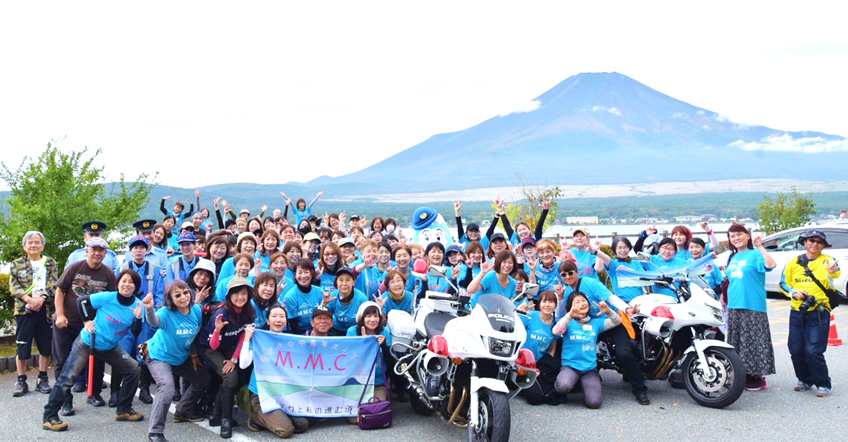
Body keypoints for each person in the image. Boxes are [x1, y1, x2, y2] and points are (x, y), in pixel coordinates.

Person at [42, 269, 144, 432]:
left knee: (133, 369)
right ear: (118, 284)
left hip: (110, 347)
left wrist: (138, 317)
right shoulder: (109, 297)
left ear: (136, 286)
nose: (127, 284)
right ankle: (50, 416)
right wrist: (87, 321)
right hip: (88, 341)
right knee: (68, 377)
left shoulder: (138, 305)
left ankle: (124, 410)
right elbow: (82, 301)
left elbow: (136, 331)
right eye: (124, 281)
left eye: (131, 282)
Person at [553, 260, 649, 405]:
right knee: (567, 345)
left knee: (624, 353)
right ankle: (569, 385)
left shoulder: (589, 283)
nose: (567, 277)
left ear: (577, 272)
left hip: (610, 322)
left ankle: (640, 389)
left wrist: (627, 309)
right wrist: (560, 297)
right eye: (563, 274)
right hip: (591, 326)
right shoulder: (567, 293)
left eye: (570, 272)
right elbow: (561, 316)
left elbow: (611, 297)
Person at [52, 237, 118, 415]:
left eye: (101, 250)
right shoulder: (75, 268)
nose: (97, 253)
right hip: (67, 322)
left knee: (96, 360)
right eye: (94, 249)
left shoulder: (108, 274)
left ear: (105, 254)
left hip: (93, 326)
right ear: (87, 250)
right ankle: (65, 400)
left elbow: (112, 300)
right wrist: (60, 314)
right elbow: (60, 290)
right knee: (63, 361)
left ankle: (94, 393)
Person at [143, 281, 210, 442]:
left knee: (203, 379)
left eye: (186, 292)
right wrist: (149, 308)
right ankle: (155, 432)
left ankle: (183, 409)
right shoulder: (166, 312)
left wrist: (194, 355)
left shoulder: (196, 310)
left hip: (181, 357)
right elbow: (154, 322)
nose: (183, 297)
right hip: (159, 356)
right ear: (170, 299)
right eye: (177, 295)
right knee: (166, 388)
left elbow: (195, 335)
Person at [779, 229, 839, 397]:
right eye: (811, 240)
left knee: (813, 350)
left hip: (818, 312)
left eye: (819, 241)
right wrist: (793, 293)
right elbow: (783, 283)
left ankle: (823, 383)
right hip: (797, 311)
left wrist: (833, 270)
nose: (814, 243)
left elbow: (835, 272)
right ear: (804, 242)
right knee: (796, 349)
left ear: (823, 246)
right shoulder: (794, 262)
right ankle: (804, 379)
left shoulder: (828, 261)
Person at [239, 305, 309, 437]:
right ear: (267, 320)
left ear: (286, 321)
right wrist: (247, 339)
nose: (278, 320)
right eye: (274, 316)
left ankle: (275, 417)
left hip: (283, 393)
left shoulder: (290, 341)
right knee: (286, 430)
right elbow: (243, 365)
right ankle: (255, 417)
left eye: (282, 316)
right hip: (262, 394)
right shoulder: (259, 338)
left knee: (302, 424)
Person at [199, 277, 256, 438]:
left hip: (230, 347)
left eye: (244, 293)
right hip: (210, 347)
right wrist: (217, 330)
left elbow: (242, 337)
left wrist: (234, 359)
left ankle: (216, 415)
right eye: (236, 293)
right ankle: (225, 419)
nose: (240, 297)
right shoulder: (221, 314)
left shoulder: (248, 311)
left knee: (240, 371)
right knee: (230, 377)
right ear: (229, 295)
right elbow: (213, 346)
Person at [723, 223, 777, 391]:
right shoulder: (732, 257)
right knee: (738, 342)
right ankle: (741, 374)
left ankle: (756, 377)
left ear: (747, 236)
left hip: (753, 304)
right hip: (734, 304)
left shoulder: (755, 254)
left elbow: (771, 265)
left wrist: (760, 246)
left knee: (754, 341)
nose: (736, 238)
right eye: (732, 236)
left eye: (739, 234)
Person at [552, 292, 622, 409]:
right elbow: (556, 331)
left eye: (583, 300)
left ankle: (585, 385)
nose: (581, 304)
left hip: (589, 369)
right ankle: (573, 383)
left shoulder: (596, 323)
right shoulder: (568, 322)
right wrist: (569, 315)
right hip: (570, 366)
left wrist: (608, 311)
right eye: (577, 302)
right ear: (571, 306)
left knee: (594, 403)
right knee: (563, 386)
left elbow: (618, 321)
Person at [10, 231, 58, 397]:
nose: (34, 245)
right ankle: (21, 380)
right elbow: (14, 286)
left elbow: (54, 283)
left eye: (37, 242)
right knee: (22, 346)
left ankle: (42, 379)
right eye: (30, 243)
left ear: (42, 245)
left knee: (45, 347)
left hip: (45, 311)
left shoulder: (50, 262)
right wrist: (29, 300)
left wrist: (41, 298)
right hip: (24, 311)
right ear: (25, 246)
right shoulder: (16, 264)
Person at [345, 301, 391, 423]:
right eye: (368, 316)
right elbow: (349, 359)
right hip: (358, 382)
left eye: (376, 316)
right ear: (361, 318)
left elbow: (391, 360)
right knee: (354, 419)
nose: (372, 320)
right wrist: (363, 344)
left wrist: (385, 346)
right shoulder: (352, 331)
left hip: (378, 382)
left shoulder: (385, 332)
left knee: (377, 413)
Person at [516, 290, 561, 405]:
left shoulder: (555, 325)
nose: (547, 305)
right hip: (521, 364)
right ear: (539, 303)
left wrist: (545, 368)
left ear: (555, 305)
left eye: (551, 302)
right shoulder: (531, 316)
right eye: (544, 301)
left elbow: (551, 350)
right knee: (535, 399)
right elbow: (516, 331)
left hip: (538, 366)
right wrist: (520, 312)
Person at [283, 259, 325, 334]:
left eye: (306, 272)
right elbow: (293, 325)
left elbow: (323, 318)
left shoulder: (320, 292)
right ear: (295, 275)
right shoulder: (290, 296)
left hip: (318, 330)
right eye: (300, 272)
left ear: (311, 274)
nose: (303, 276)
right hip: (299, 333)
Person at [324, 267, 368, 336]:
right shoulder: (332, 296)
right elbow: (323, 317)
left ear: (353, 282)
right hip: (335, 330)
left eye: (347, 280)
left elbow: (366, 319)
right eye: (341, 280)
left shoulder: (362, 298)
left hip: (355, 330)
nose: (344, 284)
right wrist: (324, 303)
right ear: (336, 282)